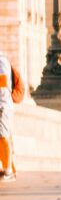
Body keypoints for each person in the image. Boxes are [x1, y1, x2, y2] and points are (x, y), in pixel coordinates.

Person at [0, 50, 17, 181]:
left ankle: (8, 171)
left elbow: (3, 80)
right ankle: (9, 168)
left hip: (3, 105)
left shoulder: (2, 60)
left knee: (3, 136)